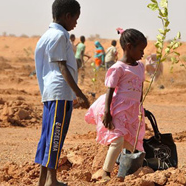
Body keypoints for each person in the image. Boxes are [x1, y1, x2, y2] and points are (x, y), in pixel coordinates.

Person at [34, 0, 90, 186]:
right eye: (75, 19)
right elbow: (62, 67)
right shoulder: (59, 36)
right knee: (55, 136)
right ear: (67, 16)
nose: (76, 23)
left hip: (52, 93)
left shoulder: (48, 35)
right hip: (60, 93)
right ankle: (52, 179)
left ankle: (44, 180)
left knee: (48, 137)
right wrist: (80, 94)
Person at [85, 28, 147, 183]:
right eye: (140, 50)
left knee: (131, 142)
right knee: (117, 139)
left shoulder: (140, 67)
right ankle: (106, 171)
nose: (143, 53)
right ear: (128, 47)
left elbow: (140, 88)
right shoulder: (118, 68)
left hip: (133, 111)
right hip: (119, 108)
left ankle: (128, 171)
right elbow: (110, 90)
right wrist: (107, 112)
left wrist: (140, 106)